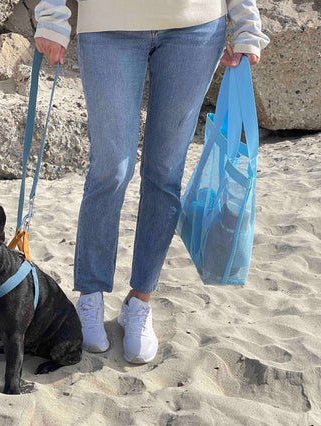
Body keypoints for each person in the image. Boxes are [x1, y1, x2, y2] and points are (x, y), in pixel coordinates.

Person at [34, 0, 269, 364]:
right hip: (107, 24)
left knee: (165, 171)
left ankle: (139, 301)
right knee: (111, 169)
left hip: (196, 25)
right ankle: (91, 295)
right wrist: (52, 17)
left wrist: (246, 24)